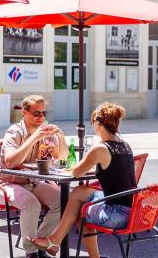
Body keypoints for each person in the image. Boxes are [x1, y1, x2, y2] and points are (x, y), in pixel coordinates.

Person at [29, 102, 135, 258]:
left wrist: (72, 165)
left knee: (80, 210)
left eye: (93, 123)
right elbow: (112, 168)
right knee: (79, 192)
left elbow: (77, 172)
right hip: (131, 210)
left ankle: (57, 242)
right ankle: (55, 241)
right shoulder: (125, 146)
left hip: (116, 214)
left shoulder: (100, 148)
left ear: (98, 123)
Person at [0, 95, 69, 258]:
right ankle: (32, 252)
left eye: (44, 114)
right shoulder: (14, 132)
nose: (41, 118)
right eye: (36, 113)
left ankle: (39, 242)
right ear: (24, 113)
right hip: (7, 182)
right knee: (32, 204)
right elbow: (10, 162)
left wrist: (60, 136)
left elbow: (63, 162)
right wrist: (34, 137)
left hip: (33, 181)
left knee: (64, 201)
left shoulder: (46, 133)